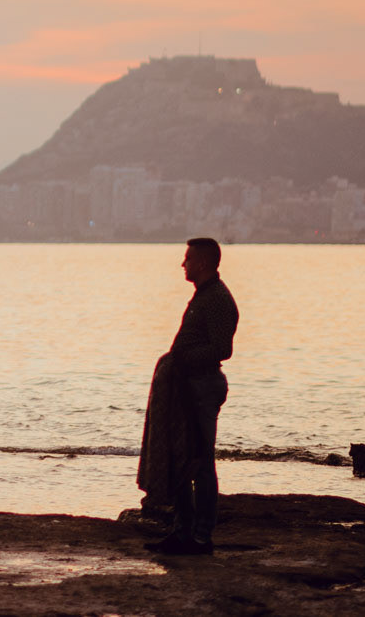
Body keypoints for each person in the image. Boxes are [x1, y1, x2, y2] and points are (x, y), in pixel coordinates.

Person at [136, 236, 239, 555]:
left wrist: (182, 359)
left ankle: (201, 537)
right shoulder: (203, 296)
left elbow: (223, 349)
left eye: (189, 258)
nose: (183, 263)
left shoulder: (219, 299)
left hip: (202, 387)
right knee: (180, 459)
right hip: (185, 388)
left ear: (204, 263)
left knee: (201, 462)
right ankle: (182, 531)